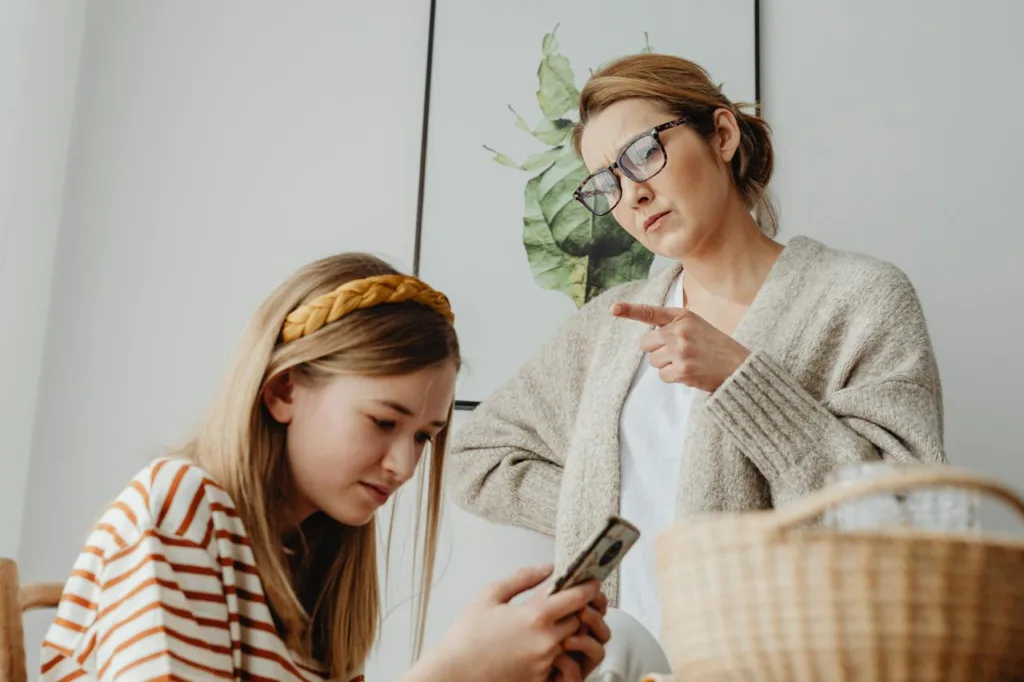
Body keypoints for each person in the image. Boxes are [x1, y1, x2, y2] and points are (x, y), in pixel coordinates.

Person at [448, 52, 946, 646]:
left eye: (642, 154)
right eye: (606, 182)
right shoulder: (609, 329)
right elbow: (478, 457)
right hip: (619, 663)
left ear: (723, 135)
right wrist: (605, 504)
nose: (631, 194)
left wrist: (743, 379)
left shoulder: (860, 297)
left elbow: (909, 512)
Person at [38, 254, 611, 682]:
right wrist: (453, 671)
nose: (404, 464)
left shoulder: (313, 566)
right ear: (284, 390)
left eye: (423, 438)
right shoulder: (179, 507)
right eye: (383, 422)